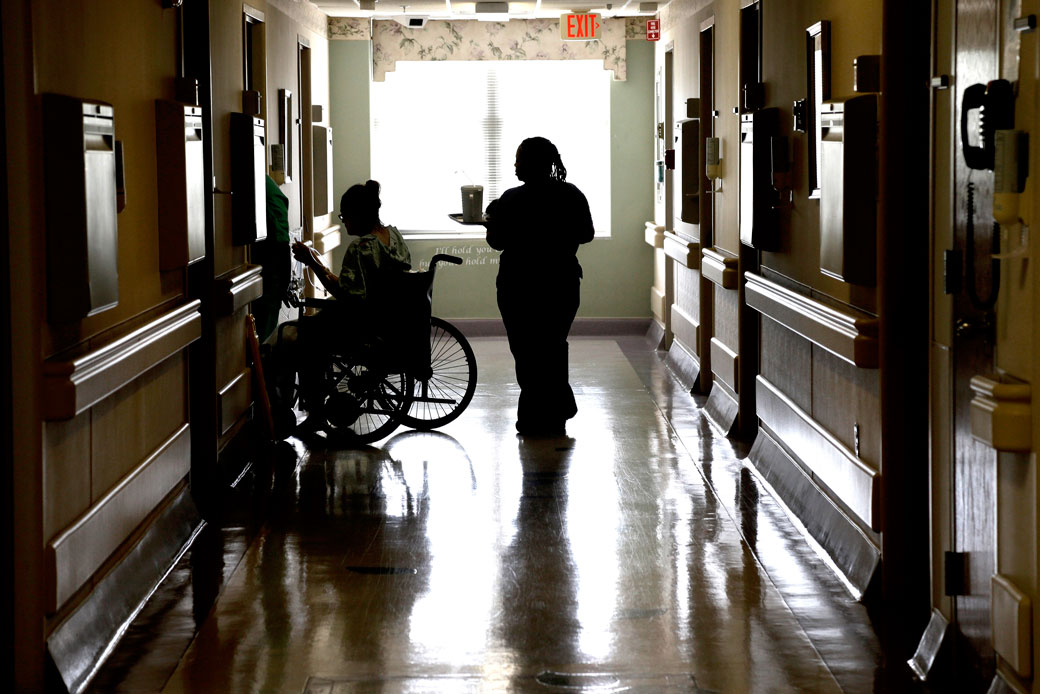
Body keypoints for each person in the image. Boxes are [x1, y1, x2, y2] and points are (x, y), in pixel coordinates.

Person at [484, 137, 594, 436]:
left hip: (517, 285)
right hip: (561, 282)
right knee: (552, 347)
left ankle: (535, 417)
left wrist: (491, 223)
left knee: (526, 351)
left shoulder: (510, 200)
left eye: (519, 160)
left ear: (532, 164)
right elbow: (586, 234)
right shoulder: (571, 195)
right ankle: (555, 414)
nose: (515, 165)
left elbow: (497, 242)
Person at [288, 180, 412, 426]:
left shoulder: (361, 248)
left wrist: (313, 263)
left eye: (344, 216)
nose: (343, 222)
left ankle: (315, 410)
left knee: (305, 334)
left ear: (358, 215)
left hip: (364, 325)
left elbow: (346, 293)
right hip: (391, 320)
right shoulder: (394, 237)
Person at [253, 174, 291, 343]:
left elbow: (281, 245)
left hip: (270, 274)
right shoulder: (266, 185)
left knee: (263, 341)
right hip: (269, 274)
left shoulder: (263, 190)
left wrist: (283, 285)